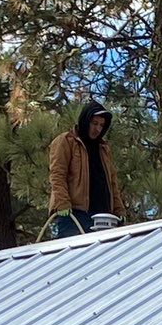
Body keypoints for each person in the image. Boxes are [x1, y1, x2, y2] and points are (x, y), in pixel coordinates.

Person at [44, 99, 122, 238]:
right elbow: (57, 175)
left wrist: (119, 210)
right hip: (74, 214)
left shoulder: (103, 149)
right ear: (86, 120)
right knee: (72, 257)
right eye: (94, 123)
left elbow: (112, 182)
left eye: (101, 125)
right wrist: (62, 203)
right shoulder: (66, 141)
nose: (98, 129)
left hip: (103, 217)